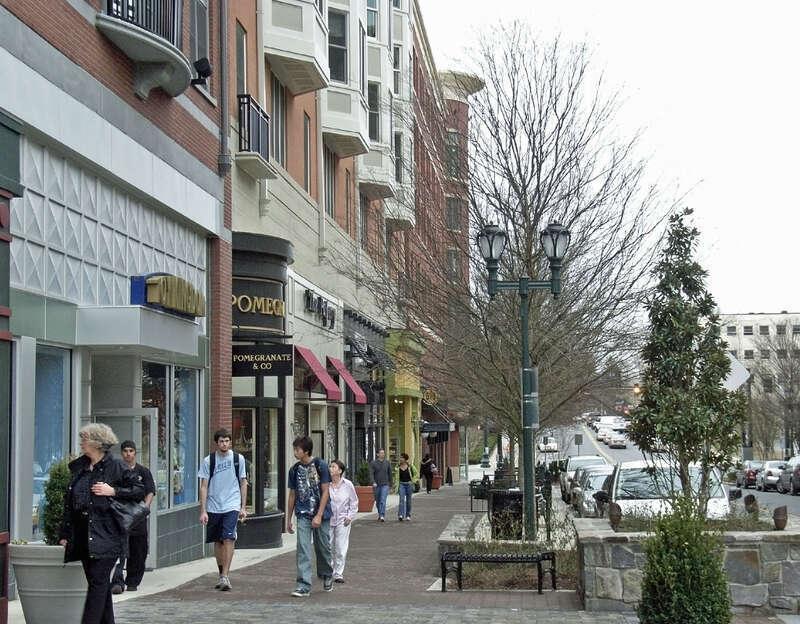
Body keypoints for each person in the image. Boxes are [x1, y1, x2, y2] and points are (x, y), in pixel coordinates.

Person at [59, 423, 145, 624]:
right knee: (99, 583)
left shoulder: (116, 466)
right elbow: (69, 503)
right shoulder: (80, 468)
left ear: (97, 443)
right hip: (83, 533)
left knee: (97, 583)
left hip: (107, 533)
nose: (81, 443)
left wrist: (113, 491)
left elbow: (139, 490)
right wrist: (65, 533)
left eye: (84, 439)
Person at [198, 429, 248, 592]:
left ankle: (226, 575)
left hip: (231, 504)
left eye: (227, 441)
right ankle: (221, 574)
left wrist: (242, 507)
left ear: (230, 442)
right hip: (213, 505)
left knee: (228, 538)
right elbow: (204, 486)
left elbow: (243, 482)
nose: (224, 444)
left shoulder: (238, 459)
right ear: (216, 443)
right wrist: (203, 510)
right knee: (218, 541)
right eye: (221, 441)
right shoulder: (208, 461)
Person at [287, 436, 334, 597]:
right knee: (303, 547)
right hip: (303, 514)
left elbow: (326, 491)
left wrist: (319, 515)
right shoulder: (294, 470)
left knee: (323, 547)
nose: (295, 452)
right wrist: (289, 519)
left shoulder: (321, 465)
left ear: (306, 451)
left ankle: (327, 574)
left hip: (321, 513)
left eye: (297, 450)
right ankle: (303, 584)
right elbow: (292, 494)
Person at [110, 440, 155, 595]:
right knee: (120, 548)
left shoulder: (143, 472)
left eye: (131, 451)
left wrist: (144, 509)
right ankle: (117, 581)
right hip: (120, 515)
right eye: (125, 451)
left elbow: (150, 491)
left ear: (135, 452)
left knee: (138, 549)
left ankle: (133, 581)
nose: (128, 454)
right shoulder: (116, 471)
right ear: (121, 453)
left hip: (137, 516)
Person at [328, 459, 358, 583]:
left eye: (333, 466)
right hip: (328, 520)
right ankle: (329, 571)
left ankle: (338, 573)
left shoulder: (348, 485)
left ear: (340, 471)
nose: (330, 468)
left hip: (342, 520)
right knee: (327, 546)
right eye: (330, 466)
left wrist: (349, 516)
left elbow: (354, 502)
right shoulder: (326, 484)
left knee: (340, 547)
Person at [369, 449, 392, 521]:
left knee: (383, 500)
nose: (383, 454)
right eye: (381, 453)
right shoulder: (373, 463)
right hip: (376, 485)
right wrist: (373, 482)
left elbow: (390, 474)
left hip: (385, 484)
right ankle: (380, 513)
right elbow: (371, 474)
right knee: (378, 501)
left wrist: (390, 484)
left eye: (383, 453)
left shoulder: (387, 463)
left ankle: (382, 515)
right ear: (377, 454)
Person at [394, 453, 418, 521]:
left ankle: (408, 515)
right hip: (401, 485)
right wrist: (396, 485)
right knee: (401, 500)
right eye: (400, 457)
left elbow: (416, 474)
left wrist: (413, 481)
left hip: (409, 485)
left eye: (401, 458)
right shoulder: (397, 467)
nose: (400, 459)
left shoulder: (410, 466)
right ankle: (400, 515)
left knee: (408, 501)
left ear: (405, 459)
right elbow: (396, 477)